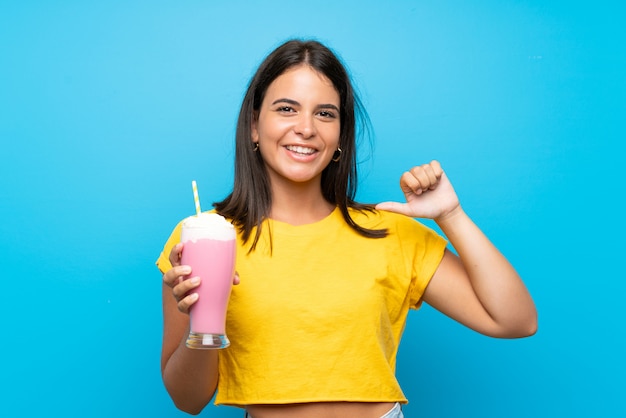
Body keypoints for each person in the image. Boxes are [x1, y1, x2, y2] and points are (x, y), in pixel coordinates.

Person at [156, 39, 537, 418]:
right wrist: (204, 316)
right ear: (254, 126)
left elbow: (516, 320)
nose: (305, 128)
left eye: (325, 114)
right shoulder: (205, 237)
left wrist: (450, 215)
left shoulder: (390, 232)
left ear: (340, 137)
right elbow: (188, 401)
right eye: (286, 109)